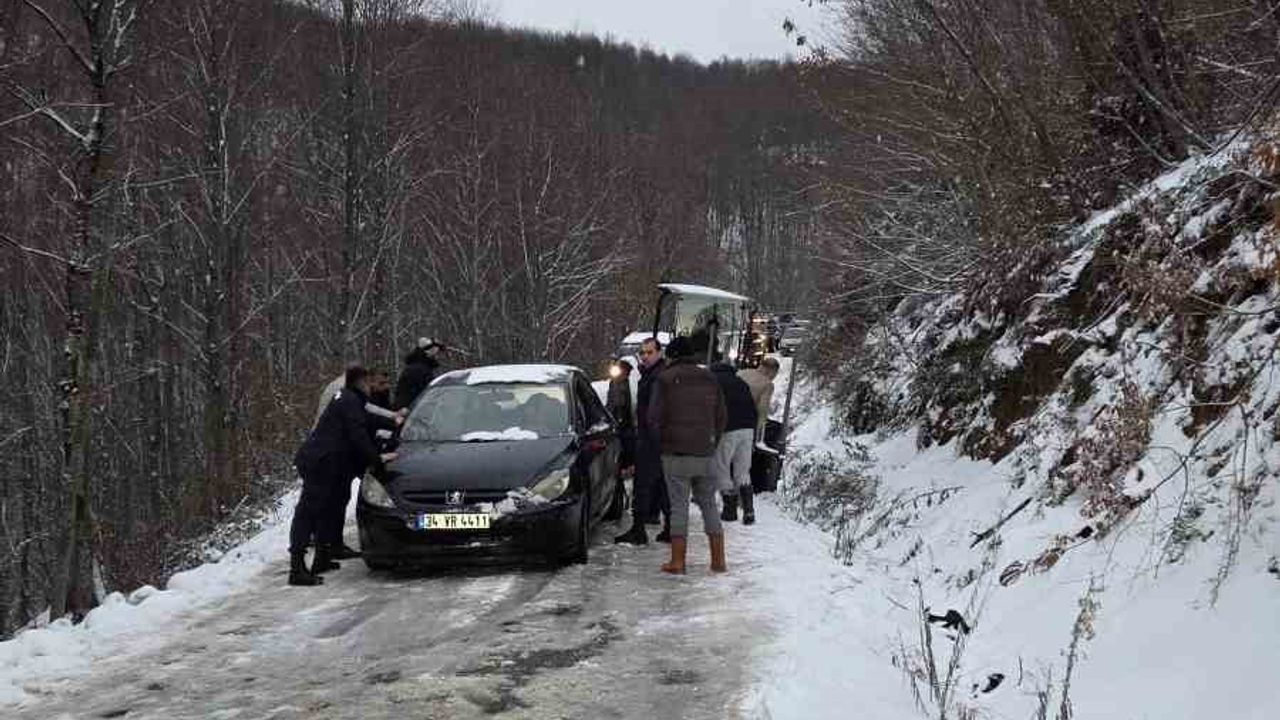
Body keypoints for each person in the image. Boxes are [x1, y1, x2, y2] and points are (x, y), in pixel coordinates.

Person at [289, 365, 397, 586]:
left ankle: (322, 557)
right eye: (369, 383)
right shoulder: (349, 401)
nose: (372, 388)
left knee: (328, 509)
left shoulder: (349, 399)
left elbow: (368, 419)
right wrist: (377, 459)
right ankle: (297, 567)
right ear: (361, 382)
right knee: (309, 512)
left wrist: (395, 421)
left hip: (330, 462)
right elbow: (358, 434)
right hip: (321, 462)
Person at [648, 336, 728, 574]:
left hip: (675, 454)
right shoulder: (710, 377)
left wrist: (660, 444)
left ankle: (678, 562)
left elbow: (653, 418)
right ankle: (718, 561)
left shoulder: (664, 379)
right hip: (706, 452)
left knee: (679, 506)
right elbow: (722, 416)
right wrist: (711, 442)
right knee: (709, 505)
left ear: (671, 356)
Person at [615, 338, 669, 545]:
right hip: (653, 438)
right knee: (660, 485)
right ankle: (667, 528)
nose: (645, 356)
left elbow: (654, 412)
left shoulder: (657, 377)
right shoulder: (651, 374)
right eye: (643, 353)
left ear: (659, 353)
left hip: (651, 439)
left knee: (644, 485)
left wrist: (651, 440)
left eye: (649, 352)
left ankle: (639, 530)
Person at [710, 358, 758, 524]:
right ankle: (749, 510)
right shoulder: (741, 382)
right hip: (748, 429)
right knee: (742, 470)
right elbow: (754, 408)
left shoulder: (714, 382)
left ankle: (730, 509)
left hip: (728, 429)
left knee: (721, 466)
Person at [736, 356, 779, 525]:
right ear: (771, 371)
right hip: (745, 426)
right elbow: (762, 411)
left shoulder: (741, 372)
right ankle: (741, 503)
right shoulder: (767, 385)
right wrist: (759, 435)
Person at [393, 336, 443, 411]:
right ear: (430, 354)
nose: (438, 357)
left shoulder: (418, 368)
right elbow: (427, 395)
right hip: (414, 413)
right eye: (436, 354)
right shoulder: (420, 370)